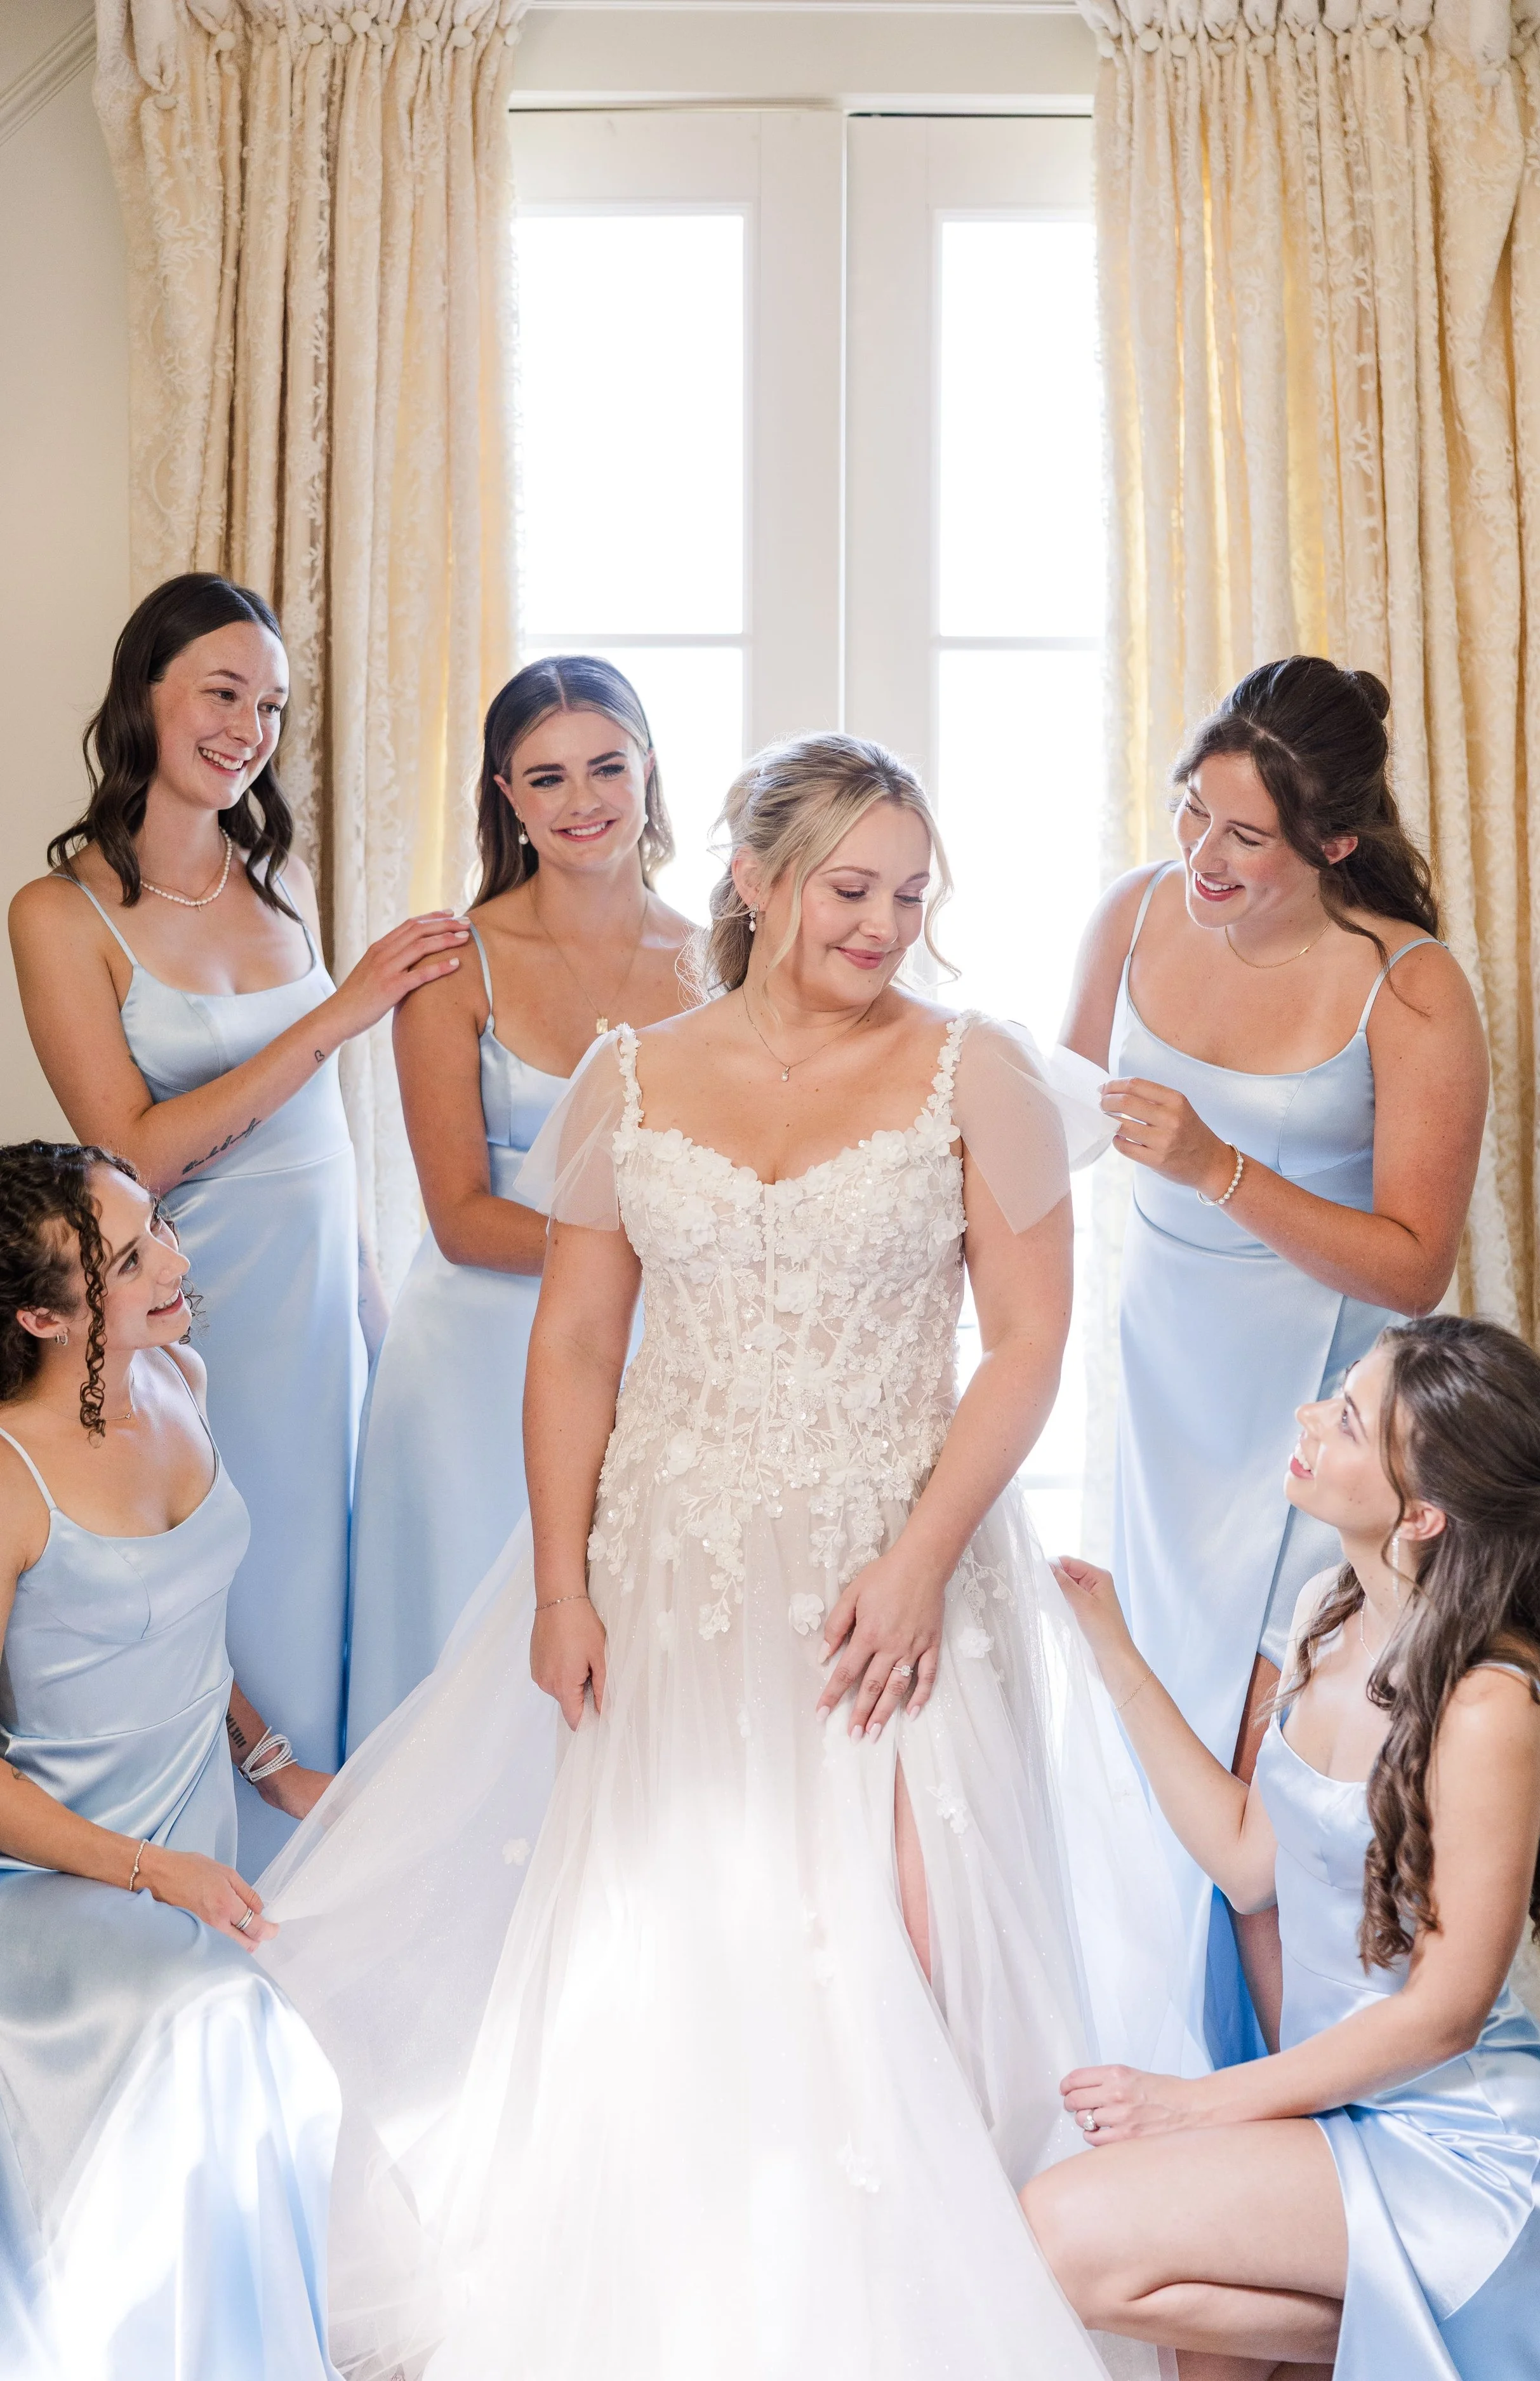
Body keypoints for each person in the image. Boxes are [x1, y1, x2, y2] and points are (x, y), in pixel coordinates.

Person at [256, 733, 1192, 2381]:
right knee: (687, 1935)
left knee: (909, 1939)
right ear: (756, 879)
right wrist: (561, 1584)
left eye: (909, 895)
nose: (882, 925)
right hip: (671, 1567)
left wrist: (919, 1559)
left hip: (894, 1564)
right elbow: (573, 1347)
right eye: (850, 889)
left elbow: (1027, 1347)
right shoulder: (627, 1077)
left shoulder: (971, 1070)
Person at [1060, 656, 1487, 2060]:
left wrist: (1217, 1166)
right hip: (1163, 1401)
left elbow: (1414, 1264)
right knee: (1164, 1754)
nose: (1203, 855)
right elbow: (1049, 1115)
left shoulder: (1409, 989)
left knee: (1266, 1783)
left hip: (1322, 1426)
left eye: (1244, 835)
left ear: (1334, 842)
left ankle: (1302, 2107)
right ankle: (1183, 2080)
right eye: (1192, 812)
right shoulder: (1131, 912)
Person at [1025, 1314, 1540, 2380]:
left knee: (1062, 2235)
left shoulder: (1490, 1706)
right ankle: (1407, 2331)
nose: (1309, 1418)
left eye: (1348, 1418)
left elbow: (1444, 2013)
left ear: (1421, 1512)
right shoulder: (1328, 1608)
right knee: (1201, 2359)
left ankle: (1458, 2324)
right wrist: (1111, 1646)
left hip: (1467, 2148)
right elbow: (1250, 1862)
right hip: (1340, 2109)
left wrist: (1191, 2104)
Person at [8, 575, 468, 1871]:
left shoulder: (282, 879)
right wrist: (341, 1014)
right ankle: (219, 1897)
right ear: (143, 693)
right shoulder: (59, 914)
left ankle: (326, 1906)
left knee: (332, 1587)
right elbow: (134, 1149)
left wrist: (374, 1310)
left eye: (270, 706)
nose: (249, 729)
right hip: (197, 1305)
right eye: (223, 693)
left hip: (324, 1308)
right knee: (237, 1594)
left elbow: (326, 1140)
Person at [0, 1141, 342, 2380]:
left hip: (190, 1834)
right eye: (132, 1259)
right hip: (57, 1873)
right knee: (216, 2015)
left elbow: (182, 1619)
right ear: (43, 1317)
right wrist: (153, 1872)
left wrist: (271, 1762)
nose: (175, 1263)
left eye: (160, 1229)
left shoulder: (180, 1374)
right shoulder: (8, 1477)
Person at [343, 658, 696, 1750]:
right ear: (506, 795)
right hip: (473, 1371)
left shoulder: (716, 962)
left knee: (633, 1662)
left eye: (607, 767)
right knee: (466, 1692)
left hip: (647, 1353)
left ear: (648, 771)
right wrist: (657, 1248)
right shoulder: (455, 964)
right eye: (547, 777)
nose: (583, 800)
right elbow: (458, 1216)